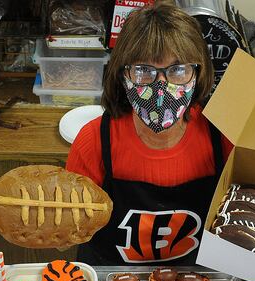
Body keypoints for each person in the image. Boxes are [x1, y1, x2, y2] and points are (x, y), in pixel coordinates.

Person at [67, 1, 233, 265]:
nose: (161, 86)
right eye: (144, 70)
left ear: (198, 73)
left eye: (178, 69)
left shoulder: (222, 137)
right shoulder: (94, 141)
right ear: (122, 74)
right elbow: (72, 225)